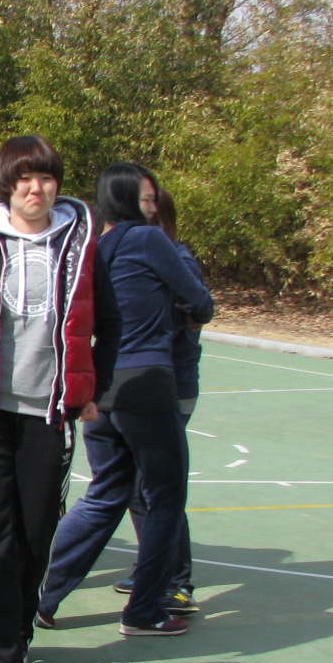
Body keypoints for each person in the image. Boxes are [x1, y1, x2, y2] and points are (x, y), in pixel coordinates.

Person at [0, 135, 121, 663]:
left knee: (35, 535)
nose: (36, 189)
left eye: (45, 178)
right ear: (6, 186)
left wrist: (94, 387)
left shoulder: (81, 244)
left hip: (50, 413)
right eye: (24, 179)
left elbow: (109, 324)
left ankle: (17, 637)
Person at [34, 166, 213, 635]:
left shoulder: (92, 246)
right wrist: (186, 312)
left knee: (104, 494)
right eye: (147, 199)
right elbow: (200, 301)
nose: (153, 208)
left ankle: (38, 596)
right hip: (147, 383)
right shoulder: (149, 240)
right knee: (164, 499)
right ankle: (145, 610)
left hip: (101, 386)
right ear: (129, 199)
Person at [113, 185, 201, 609]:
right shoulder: (134, 255)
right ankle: (153, 568)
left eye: (149, 208)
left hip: (171, 386)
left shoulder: (176, 258)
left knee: (158, 487)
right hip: (140, 384)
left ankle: (177, 581)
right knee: (136, 488)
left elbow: (196, 312)